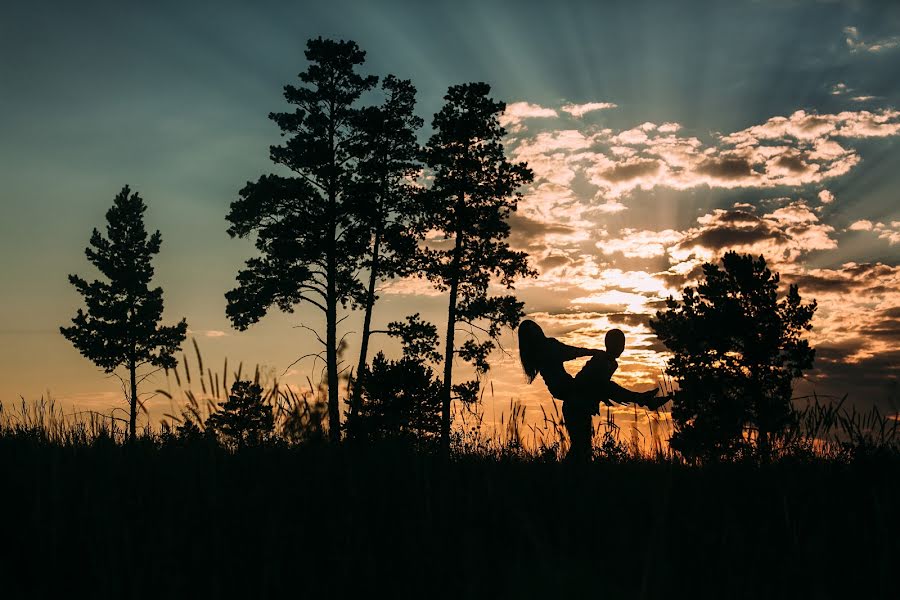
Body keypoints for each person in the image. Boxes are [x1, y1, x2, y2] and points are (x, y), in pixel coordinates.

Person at [518, 319, 667, 462]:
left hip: (574, 395)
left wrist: (600, 392)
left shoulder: (535, 354)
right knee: (581, 449)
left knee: (581, 449)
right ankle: (643, 399)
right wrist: (591, 351)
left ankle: (643, 399)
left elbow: (569, 353)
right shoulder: (546, 347)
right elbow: (570, 351)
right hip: (573, 392)